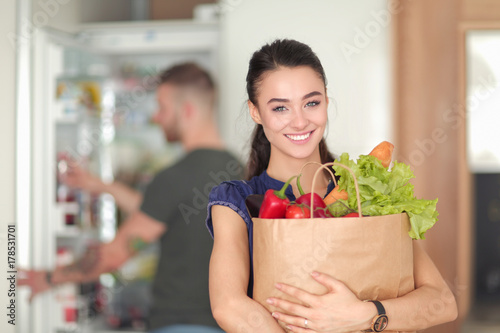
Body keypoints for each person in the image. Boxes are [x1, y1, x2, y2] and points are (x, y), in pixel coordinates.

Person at [205, 39, 458, 332]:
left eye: (311, 103)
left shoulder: (365, 192)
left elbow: (442, 302)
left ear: (326, 101)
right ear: (256, 112)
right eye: (280, 108)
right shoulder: (237, 201)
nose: (299, 121)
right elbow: (229, 306)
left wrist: (364, 315)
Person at [19, 62, 243, 333]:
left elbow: (114, 256)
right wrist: (101, 186)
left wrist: (49, 277)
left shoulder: (175, 177)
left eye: (162, 107)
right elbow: (168, 214)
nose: (156, 117)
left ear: (187, 111)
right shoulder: (239, 170)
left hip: (181, 325)